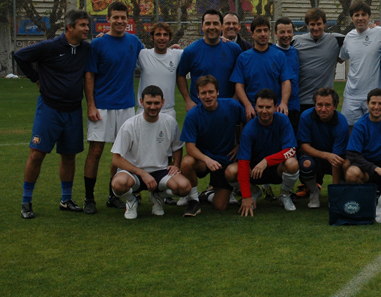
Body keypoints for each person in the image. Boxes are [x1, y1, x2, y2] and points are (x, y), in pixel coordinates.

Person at [15, 9, 91, 219]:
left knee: (69, 155)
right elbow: (20, 56)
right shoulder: (50, 46)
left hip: (73, 110)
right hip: (50, 108)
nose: (87, 28)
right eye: (82, 25)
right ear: (69, 27)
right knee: (37, 153)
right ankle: (26, 201)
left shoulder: (86, 49)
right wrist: (36, 79)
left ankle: (66, 199)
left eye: (87, 25)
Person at [84, 1, 144, 213]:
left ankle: (113, 194)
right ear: (107, 20)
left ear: (128, 21)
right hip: (102, 106)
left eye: (123, 17)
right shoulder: (98, 44)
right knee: (96, 150)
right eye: (115, 17)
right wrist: (91, 105)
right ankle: (89, 198)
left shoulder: (134, 42)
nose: (119, 21)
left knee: (122, 153)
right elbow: (89, 75)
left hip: (126, 106)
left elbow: (152, 58)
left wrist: (173, 50)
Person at [109, 85, 189, 220]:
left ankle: (158, 196)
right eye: (149, 103)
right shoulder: (130, 125)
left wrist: (176, 164)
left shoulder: (170, 122)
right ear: (141, 102)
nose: (153, 107)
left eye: (157, 103)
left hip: (161, 172)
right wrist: (142, 173)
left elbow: (177, 146)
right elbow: (116, 159)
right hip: (134, 173)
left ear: (163, 103)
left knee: (184, 187)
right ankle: (132, 200)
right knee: (118, 184)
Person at [179, 76, 247, 215]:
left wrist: (240, 144)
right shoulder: (193, 115)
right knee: (186, 162)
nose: (207, 96)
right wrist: (207, 159)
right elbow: (190, 148)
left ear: (218, 92)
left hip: (225, 160)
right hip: (204, 160)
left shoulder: (232, 106)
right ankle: (193, 200)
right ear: (198, 95)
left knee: (220, 206)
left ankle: (208, 195)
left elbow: (249, 124)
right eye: (203, 93)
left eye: (211, 92)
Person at [226, 89, 300, 216]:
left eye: (268, 107)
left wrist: (267, 161)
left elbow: (291, 150)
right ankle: (254, 191)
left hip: (277, 169)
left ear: (276, 107)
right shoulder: (249, 129)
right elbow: (243, 163)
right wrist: (246, 196)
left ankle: (284, 195)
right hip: (255, 172)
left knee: (292, 163)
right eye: (260, 107)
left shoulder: (283, 120)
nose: (264, 111)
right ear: (255, 107)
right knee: (230, 171)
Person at [339, 1, 381, 126]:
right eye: (356, 15)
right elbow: (341, 57)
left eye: (364, 15)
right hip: (352, 95)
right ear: (351, 18)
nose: (360, 18)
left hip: (374, 96)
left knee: (375, 132)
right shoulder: (349, 37)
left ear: (369, 17)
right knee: (351, 131)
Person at [230, 16, 293, 120]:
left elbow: (286, 81)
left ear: (269, 33)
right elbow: (239, 85)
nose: (263, 34)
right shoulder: (243, 57)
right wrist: (247, 105)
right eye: (259, 31)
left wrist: (283, 103)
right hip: (252, 112)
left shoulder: (279, 56)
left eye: (265, 30)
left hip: (274, 110)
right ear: (252, 34)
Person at [177, 10, 242, 109]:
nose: (211, 27)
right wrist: (187, 100)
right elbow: (180, 75)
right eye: (208, 24)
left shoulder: (234, 49)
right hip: (200, 109)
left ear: (221, 27)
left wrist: (234, 99)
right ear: (202, 27)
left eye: (215, 23)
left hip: (227, 109)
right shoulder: (191, 51)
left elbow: (241, 76)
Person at [296, 87, 350, 208]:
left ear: (335, 106)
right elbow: (304, 147)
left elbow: (337, 158)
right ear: (314, 105)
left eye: (328, 105)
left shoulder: (342, 123)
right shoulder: (306, 116)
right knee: (306, 164)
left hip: (335, 158)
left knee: (346, 165)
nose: (323, 109)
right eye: (319, 105)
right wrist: (326, 155)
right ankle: (314, 191)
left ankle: (337, 192)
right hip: (315, 157)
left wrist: (334, 193)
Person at [294, 7, 344, 112]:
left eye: (319, 24)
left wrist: (371, 28)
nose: (316, 28)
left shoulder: (336, 40)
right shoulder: (295, 41)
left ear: (324, 24)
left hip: (325, 102)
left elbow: (358, 37)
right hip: (302, 100)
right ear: (307, 25)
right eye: (312, 24)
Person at [136, 22, 183, 119]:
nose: (162, 38)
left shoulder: (177, 55)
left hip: (168, 112)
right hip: (144, 111)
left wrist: (221, 38)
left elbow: (199, 51)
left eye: (165, 35)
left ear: (170, 38)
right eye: (158, 34)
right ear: (152, 37)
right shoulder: (143, 54)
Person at [274, 17, 301, 129]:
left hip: (294, 107)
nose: (286, 35)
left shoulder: (295, 52)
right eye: (282, 32)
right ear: (275, 33)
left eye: (289, 31)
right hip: (277, 107)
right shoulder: (271, 52)